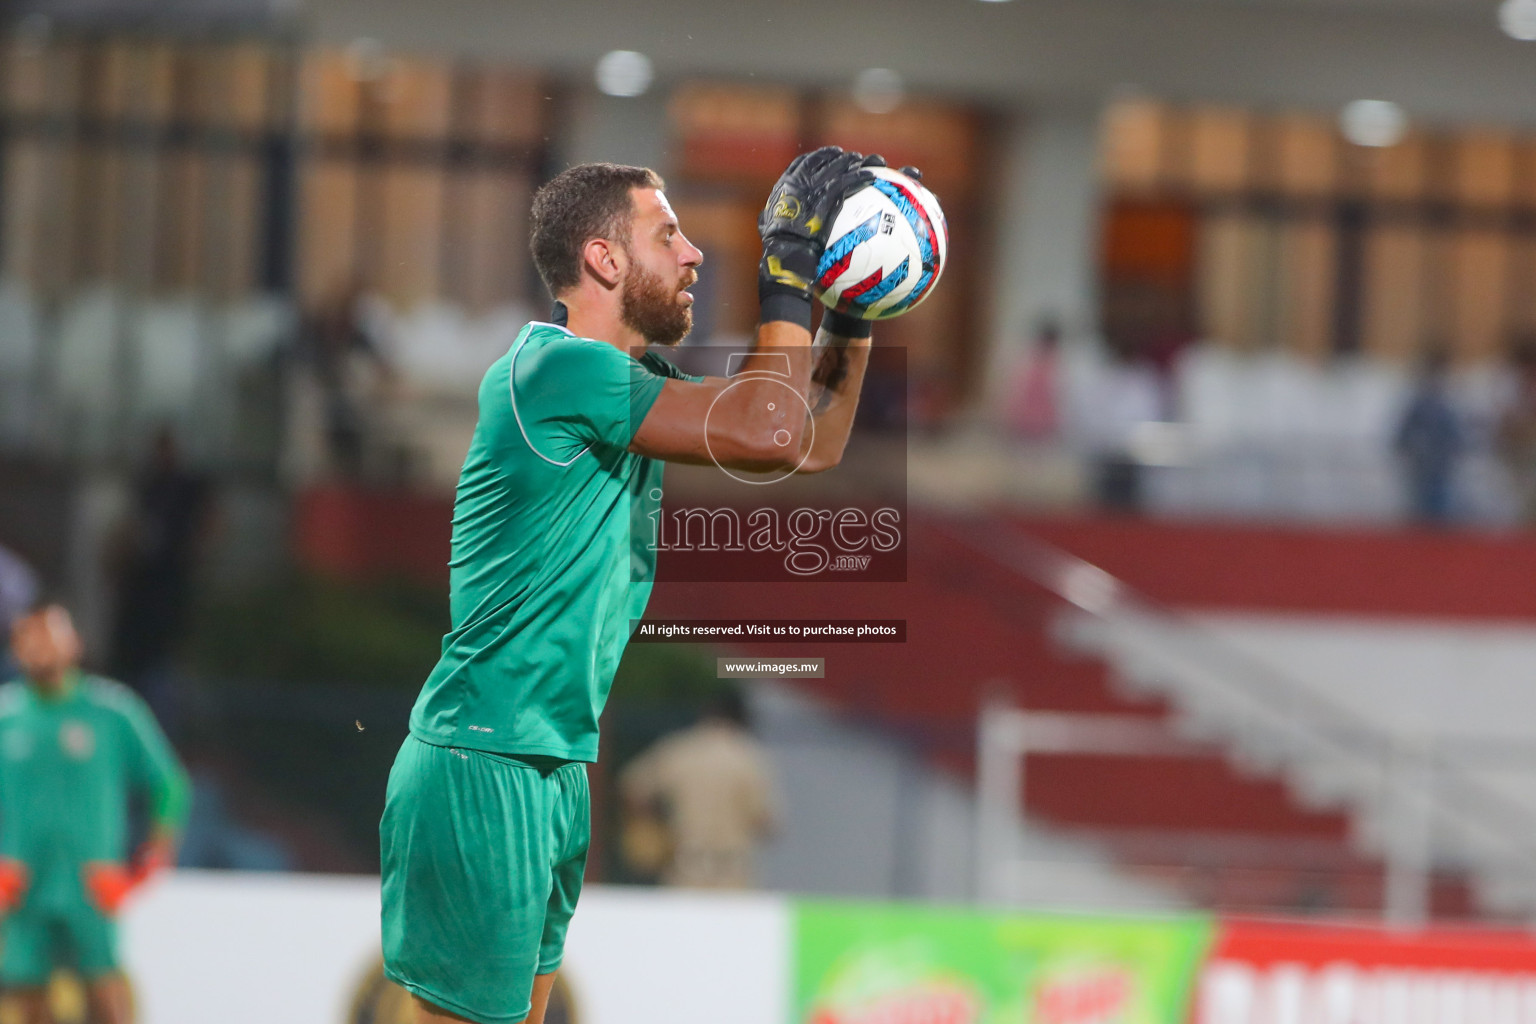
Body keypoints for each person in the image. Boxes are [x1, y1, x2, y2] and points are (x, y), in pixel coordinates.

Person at [380, 148, 899, 1024]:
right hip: (485, 756)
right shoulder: (557, 370)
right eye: (670, 235)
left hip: (550, 763)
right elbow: (771, 430)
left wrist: (850, 307)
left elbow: (809, 442)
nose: (694, 254)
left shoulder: (623, 384)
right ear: (604, 260)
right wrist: (784, 268)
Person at [1, 600, 191, 1024]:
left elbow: (170, 785)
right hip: (23, 885)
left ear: (74, 642)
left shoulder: (112, 712)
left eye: (51, 633)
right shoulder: (6, 716)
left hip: (89, 882)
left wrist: (151, 858)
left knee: (105, 994)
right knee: (27, 996)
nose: (41, 646)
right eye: (29, 637)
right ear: (15, 648)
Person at [619, 687, 779, 889]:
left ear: (707, 713)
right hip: (733, 873)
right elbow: (765, 823)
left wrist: (654, 827)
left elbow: (632, 788)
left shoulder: (680, 749)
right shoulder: (749, 756)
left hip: (685, 869)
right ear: (741, 719)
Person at [1395, 349, 1465, 525]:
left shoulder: (1448, 403)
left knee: (1440, 508)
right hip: (1421, 466)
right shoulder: (1418, 403)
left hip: (1441, 467)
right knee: (1420, 510)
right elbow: (1403, 434)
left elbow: (1456, 435)